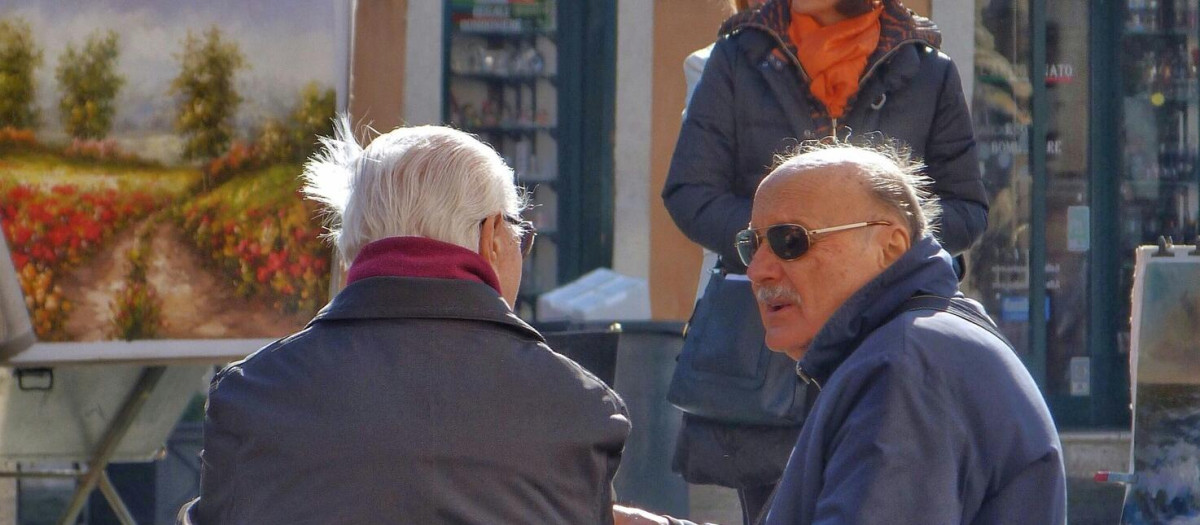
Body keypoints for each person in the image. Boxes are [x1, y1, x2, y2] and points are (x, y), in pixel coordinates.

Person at [180, 120, 631, 524]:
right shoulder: (579, 409)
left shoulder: (251, 396)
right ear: (492, 237)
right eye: (520, 236)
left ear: (350, 248)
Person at [617, 142, 1065, 524]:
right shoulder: (915, 340)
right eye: (752, 245)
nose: (757, 270)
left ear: (890, 247)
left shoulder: (904, 363)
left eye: (790, 241)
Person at [663, 0, 989, 521]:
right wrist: (787, 243)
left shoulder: (927, 68)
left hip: (891, 334)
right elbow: (690, 192)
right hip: (767, 350)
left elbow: (968, 207)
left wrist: (877, 248)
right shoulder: (737, 56)